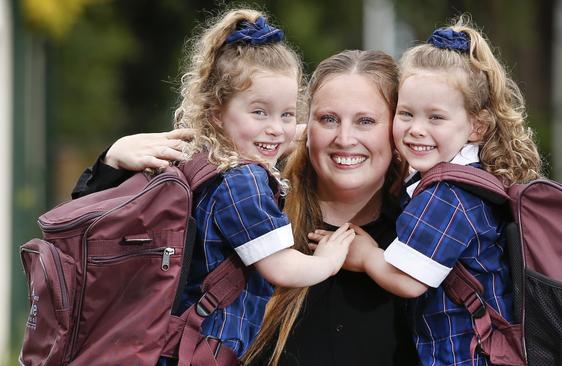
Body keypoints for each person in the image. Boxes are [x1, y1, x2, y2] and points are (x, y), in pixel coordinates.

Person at [73, 49, 418, 366]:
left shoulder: (424, 242)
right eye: (328, 119)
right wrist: (112, 163)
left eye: (366, 121)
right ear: (308, 126)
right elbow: (99, 253)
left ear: (398, 128)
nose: (344, 138)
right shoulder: (250, 211)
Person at [311, 18, 542, 366]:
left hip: (461, 356)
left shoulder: (447, 194)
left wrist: (366, 256)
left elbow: (409, 280)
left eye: (435, 118)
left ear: (476, 126)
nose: (416, 130)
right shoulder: (461, 178)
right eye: (406, 114)